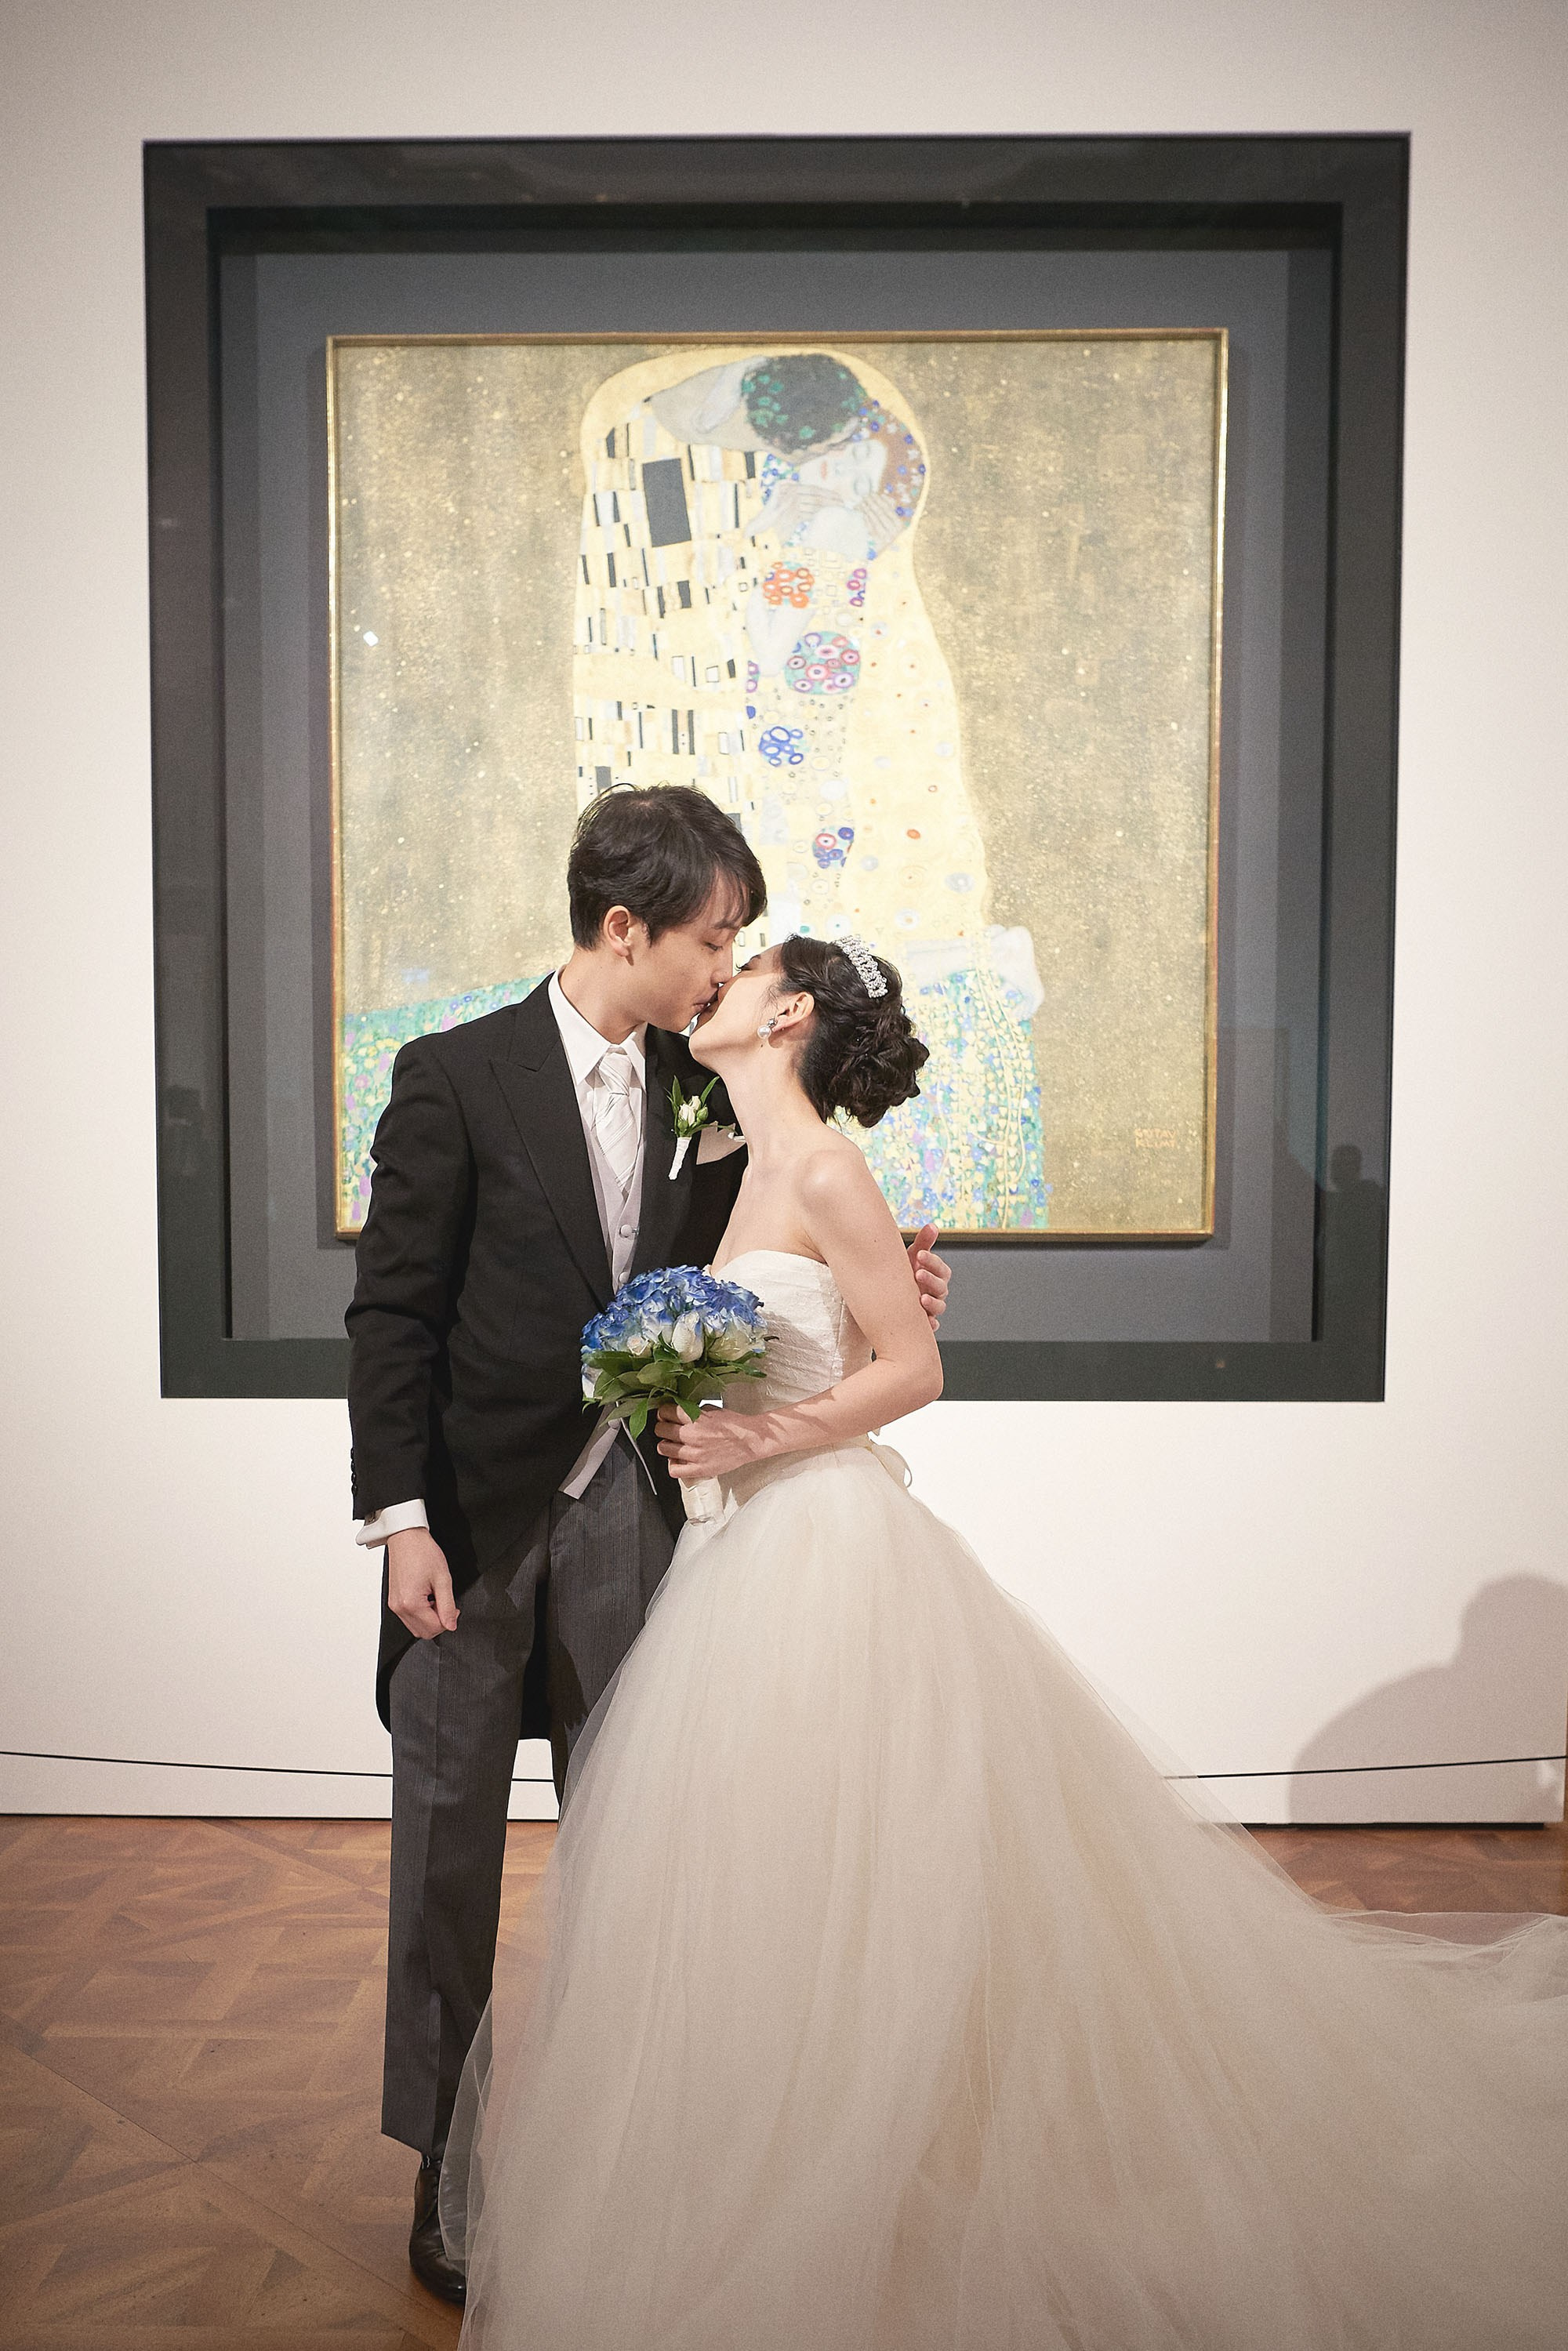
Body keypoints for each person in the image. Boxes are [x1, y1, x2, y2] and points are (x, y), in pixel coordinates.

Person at [442, 932, 1568, 2351]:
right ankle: (782, 2161)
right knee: (771, 1878)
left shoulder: (831, 1171)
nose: (711, 981)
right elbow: (845, 1336)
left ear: (785, 1012)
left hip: (825, 1552)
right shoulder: (734, 1164)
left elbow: (916, 1372)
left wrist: (761, 1428)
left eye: (743, 967)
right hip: (740, 1555)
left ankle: (885, 2171)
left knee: (864, 1874)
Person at [344, 789, 951, 2305]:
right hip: (468, 1534)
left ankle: (619, 2154)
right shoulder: (454, 1075)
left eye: (736, 942)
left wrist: (898, 1284)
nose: (721, 963)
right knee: (447, 1860)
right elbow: (394, 1318)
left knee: (642, 1854)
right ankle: (446, 2166)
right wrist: (399, 1516)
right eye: (710, 936)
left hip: (647, 1518)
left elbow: (773, 1262)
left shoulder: (717, 1084)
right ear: (625, 928)